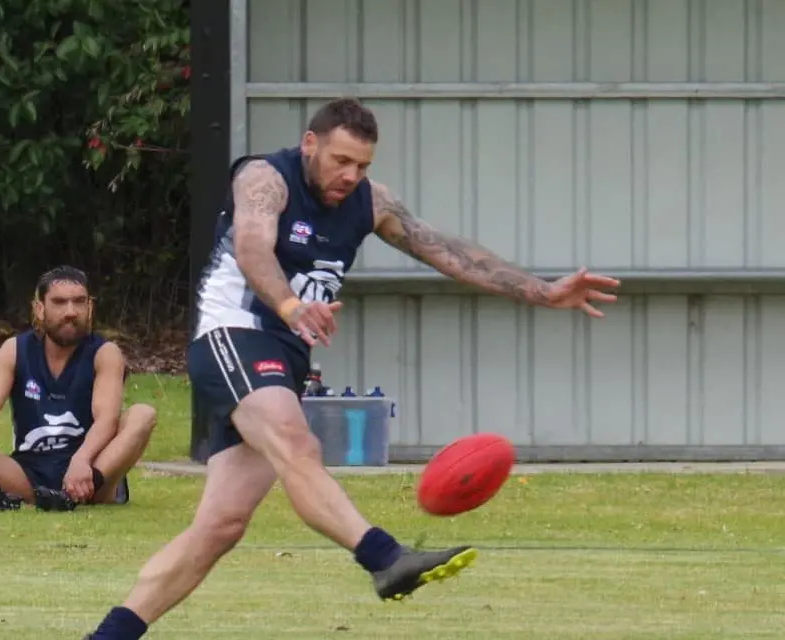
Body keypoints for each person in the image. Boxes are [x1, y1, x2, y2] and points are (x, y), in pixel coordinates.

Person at [84, 98, 620, 638]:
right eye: (340, 160)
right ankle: (386, 558)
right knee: (298, 444)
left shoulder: (371, 201)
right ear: (309, 144)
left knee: (220, 525)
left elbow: (446, 251)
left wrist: (543, 291)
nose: (350, 175)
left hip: (284, 355)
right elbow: (252, 248)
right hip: (234, 334)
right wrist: (291, 306)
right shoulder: (265, 178)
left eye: (362, 165)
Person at [0, 266, 158, 512]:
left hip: (91, 466)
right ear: (39, 309)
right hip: (28, 470)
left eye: (79, 302)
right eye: (59, 302)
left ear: (90, 307)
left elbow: (107, 420)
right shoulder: (14, 350)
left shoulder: (105, 353)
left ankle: (73, 496)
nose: (70, 312)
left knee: (143, 414)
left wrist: (81, 460)